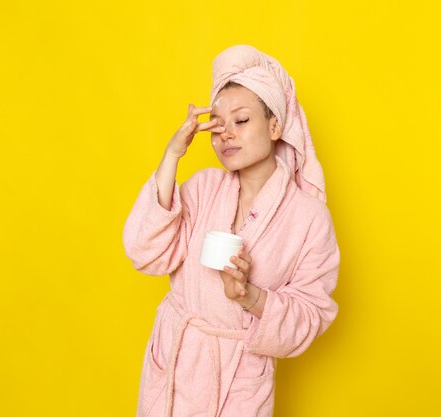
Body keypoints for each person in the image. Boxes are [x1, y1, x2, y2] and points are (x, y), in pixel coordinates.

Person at [122, 44, 340, 417]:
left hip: (239, 381)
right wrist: (171, 156)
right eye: (219, 125)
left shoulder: (309, 218)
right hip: (175, 363)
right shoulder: (203, 187)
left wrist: (249, 297)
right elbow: (144, 252)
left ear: (275, 126)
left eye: (241, 121)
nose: (226, 135)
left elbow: (312, 313)